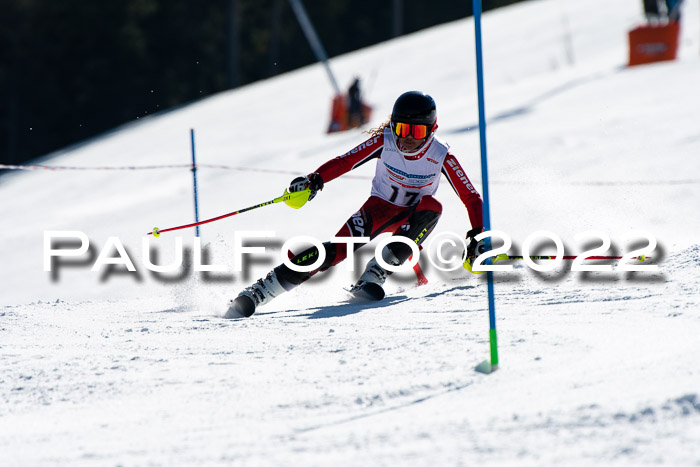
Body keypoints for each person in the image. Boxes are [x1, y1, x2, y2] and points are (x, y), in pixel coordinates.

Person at [226, 91, 485, 318]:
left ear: (431, 130)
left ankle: (376, 271)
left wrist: (477, 233)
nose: (406, 138)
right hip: (378, 210)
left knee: (433, 207)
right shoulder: (385, 142)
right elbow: (345, 161)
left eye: (416, 131)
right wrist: (316, 179)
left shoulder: (440, 155)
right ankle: (260, 291)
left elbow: (472, 197)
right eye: (401, 129)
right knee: (335, 252)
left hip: (411, 221)